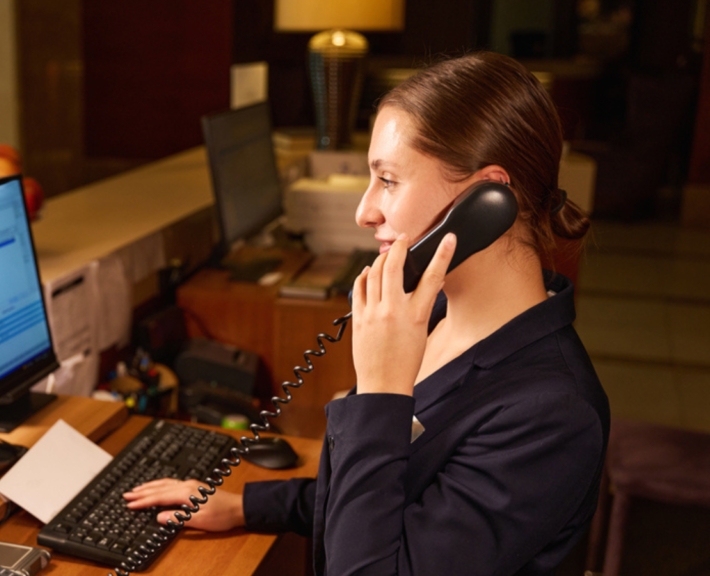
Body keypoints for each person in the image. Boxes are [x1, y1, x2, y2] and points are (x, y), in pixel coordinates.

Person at [123, 51, 610, 576]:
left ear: (485, 198)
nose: (365, 210)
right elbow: (390, 490)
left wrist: (381, 390)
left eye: (390, 180)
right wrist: (247, 506)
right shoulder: (437, 313)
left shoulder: (551, 415)